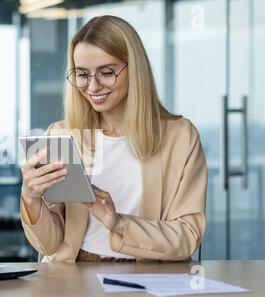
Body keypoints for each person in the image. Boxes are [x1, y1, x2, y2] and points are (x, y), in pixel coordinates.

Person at [20, 15, 207, 262]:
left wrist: (118, 223)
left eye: (106, 72)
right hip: (72, 275)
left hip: (147, 276)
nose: (93, 86)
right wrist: (31, 198)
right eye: (82, 74)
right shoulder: (62, 134)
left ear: (135, 70)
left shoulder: (180, 136)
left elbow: (187, 236)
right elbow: (51, 244)